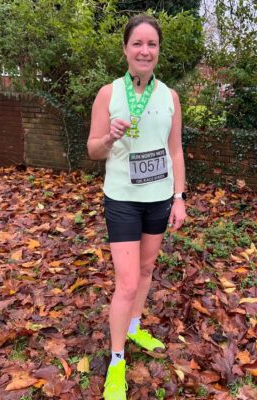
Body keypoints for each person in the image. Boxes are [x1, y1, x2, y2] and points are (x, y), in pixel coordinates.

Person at [87, 14, 186, 400]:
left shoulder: (170, 97)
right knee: (126, 282)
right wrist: (109, 138)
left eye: (152, 44)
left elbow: (175, 151)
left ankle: (134, 328)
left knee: (146, 271)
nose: (145, 51)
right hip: (123, 199)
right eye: (138, 44)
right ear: (126, 49)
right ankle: (116, 361)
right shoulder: (108, 94)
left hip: (158, 199)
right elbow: (93, 150)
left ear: (158, 50)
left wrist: (179, 197)